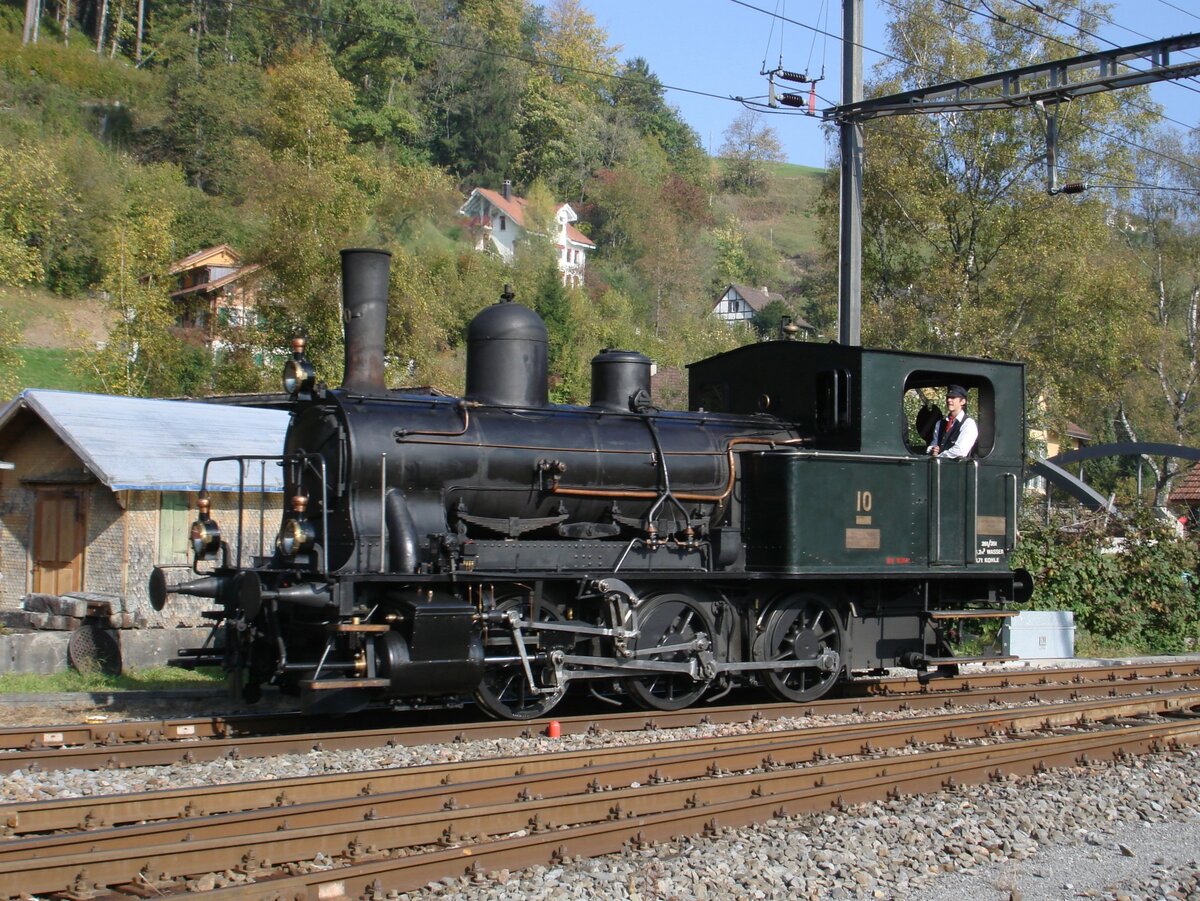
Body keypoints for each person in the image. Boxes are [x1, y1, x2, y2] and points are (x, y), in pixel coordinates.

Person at [927, 385, 978, 459]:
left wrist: (939, 456)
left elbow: (960, 451)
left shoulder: (968, 424)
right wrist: (932, 450)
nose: (949, 400)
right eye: (948, 397)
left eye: (953, 397)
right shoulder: (940, 423)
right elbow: (934, 443)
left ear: (963, 401)